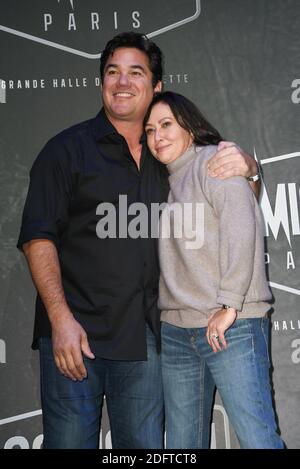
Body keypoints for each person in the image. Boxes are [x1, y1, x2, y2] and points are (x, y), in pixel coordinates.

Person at [17, 32, 260, 449]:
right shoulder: (65, 151)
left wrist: (251, 169)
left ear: (157, 86)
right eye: (113, 72)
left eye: (136, 72)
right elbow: (37, 238)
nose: (123, 82)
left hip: (146, 340)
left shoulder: (170, 154)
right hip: (77, 335)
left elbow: (230, 202)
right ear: (101, 83)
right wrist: (60, 321)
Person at [144, 91, 285, 449]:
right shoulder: (163, 182)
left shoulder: (216, 163)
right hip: (177, 331)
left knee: (257, 440)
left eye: (166, 125)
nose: (157, 136)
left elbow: (242, 229)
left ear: (189, 127)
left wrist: (229, 305)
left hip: (231, 326)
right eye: (149, 130)